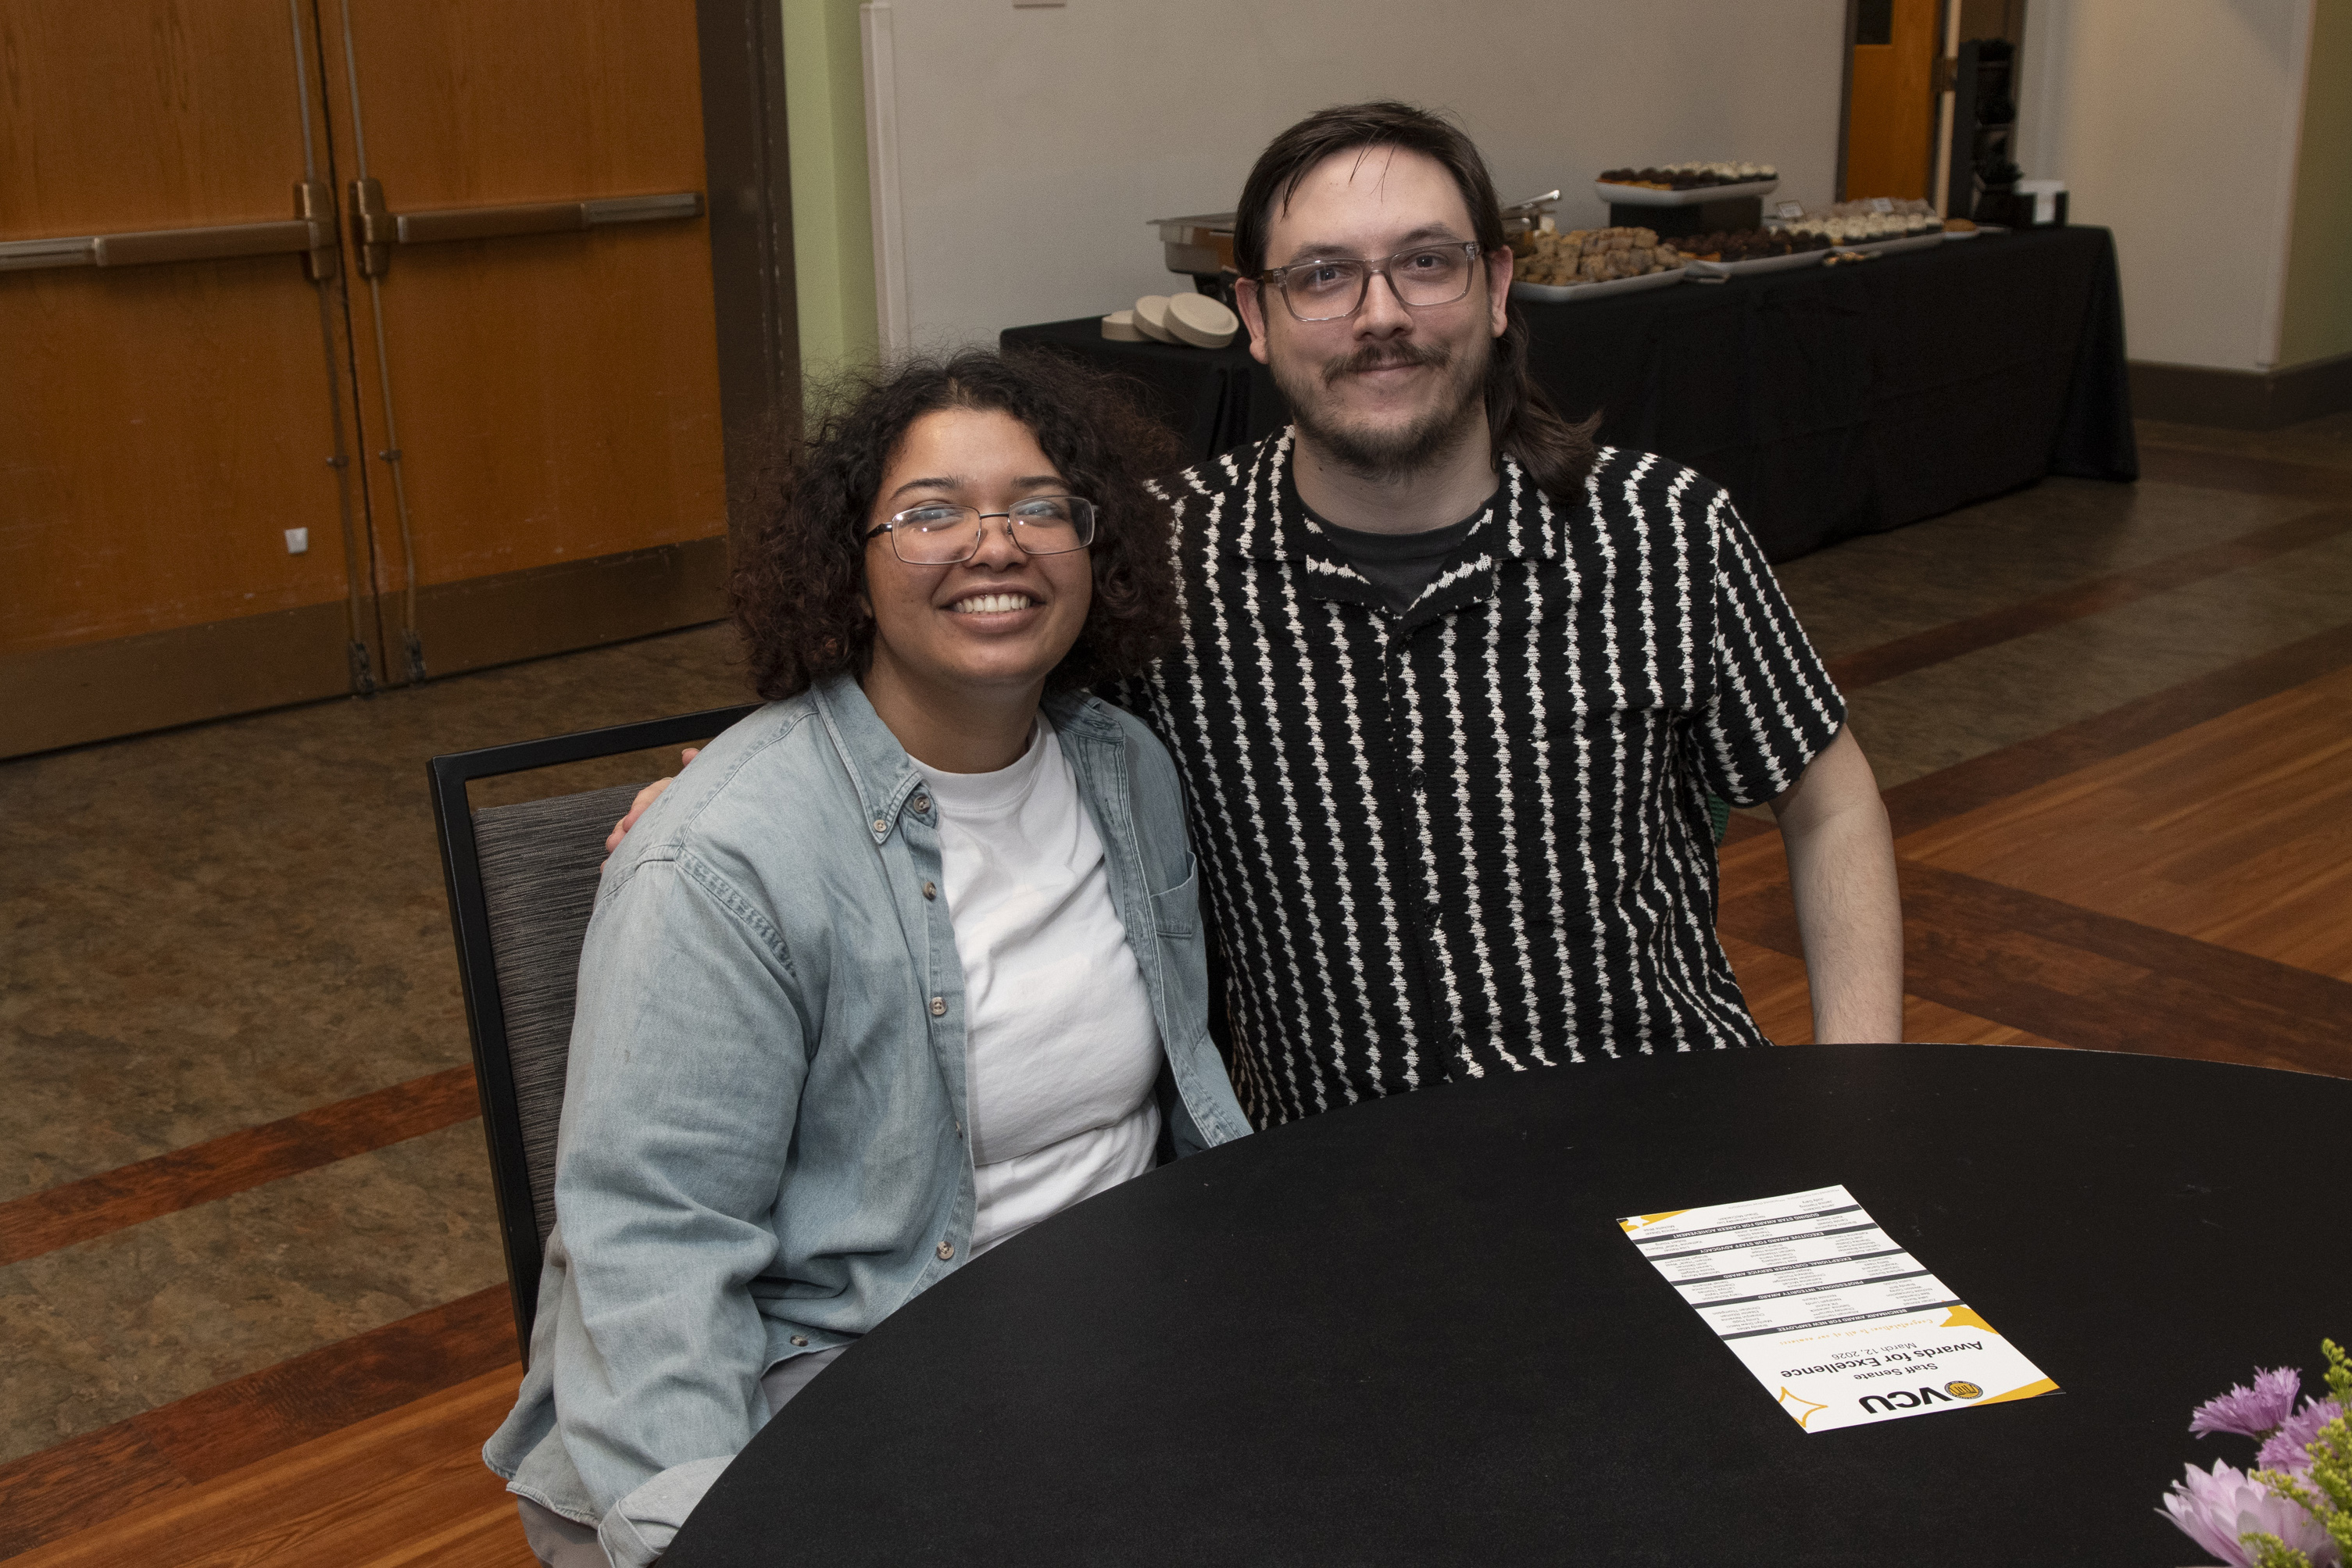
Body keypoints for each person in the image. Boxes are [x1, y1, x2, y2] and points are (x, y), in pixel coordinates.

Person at [616, 102, 1903, 1130]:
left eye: (1426, 264)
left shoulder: (1659, 532)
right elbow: (957, 676)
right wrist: (753, 781)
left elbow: (1827, 795)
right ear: (1252, 317)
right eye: (1323, 277)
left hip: (1662, 1137)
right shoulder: (1158, 556)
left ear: (1498, 287)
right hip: (1318, 1202)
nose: (1380, 314)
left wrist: (1855, 1099)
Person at [492, 350, 1249, 1567]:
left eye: (1038, 506)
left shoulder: (1123, 769)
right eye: (931, 513)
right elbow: (650, 1249)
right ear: (849, 560)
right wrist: (717, 1531)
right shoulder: (723, 864)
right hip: (847, 1384)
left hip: (1120, 1355)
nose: (994, 544)